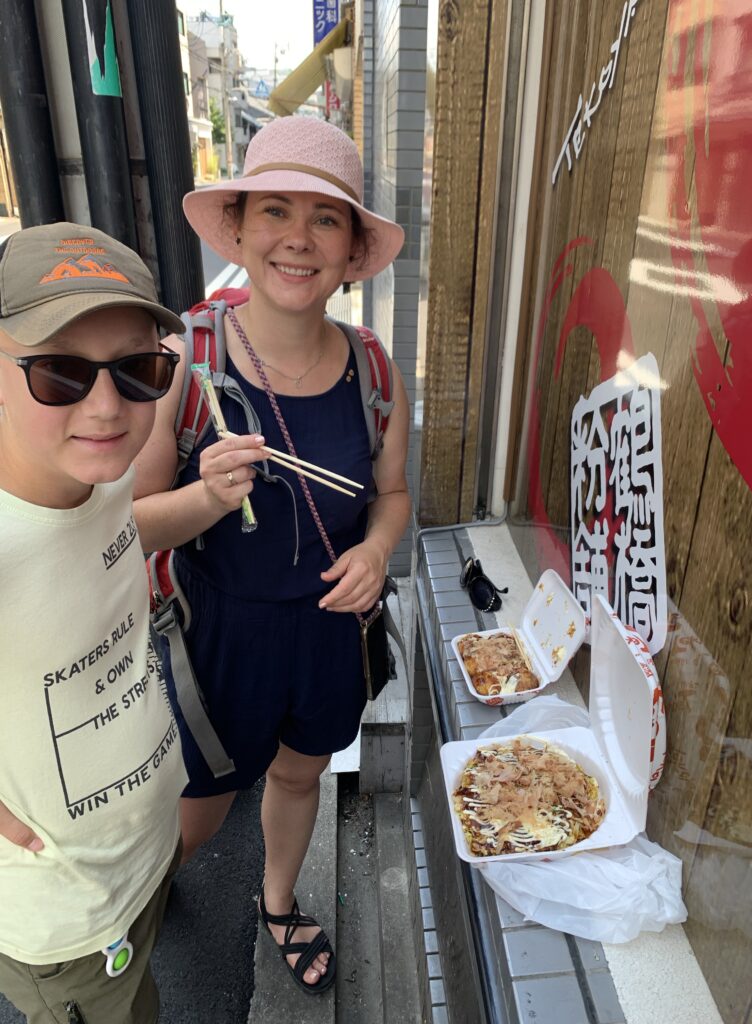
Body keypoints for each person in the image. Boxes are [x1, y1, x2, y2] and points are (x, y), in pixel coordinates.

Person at [133, 116, 410, 995]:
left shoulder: (374, 369)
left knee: (300, 774)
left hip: (328, 631)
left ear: (352, 248)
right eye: (276, 211)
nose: (299, 237)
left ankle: (278, 899)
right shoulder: (183, 357)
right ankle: (141, 902)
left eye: (326, 218)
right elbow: (126, 525)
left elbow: (393, 496)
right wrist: (206, 497)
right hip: (216, 634)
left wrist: (377, 550)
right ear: (241, 228)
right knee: (196, 812)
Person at [0, 223, 189, 1023]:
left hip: (145, 848)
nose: (107, 407)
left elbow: (119, 536)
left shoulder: (101, 477)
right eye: (60, 373)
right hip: (70, 917)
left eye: (138, 370)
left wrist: (213, 499)